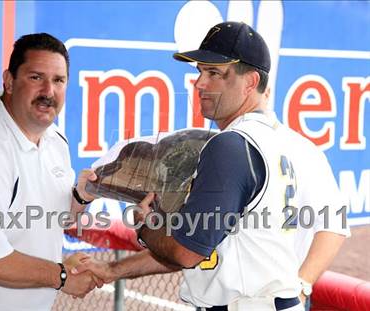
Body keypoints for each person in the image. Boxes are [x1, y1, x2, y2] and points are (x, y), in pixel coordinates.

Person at [72, 22, 348, 310]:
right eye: (200, 71)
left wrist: (146, 224)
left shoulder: (233, 145)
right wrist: (113, 270)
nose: (200, 83)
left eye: (214, 73)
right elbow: (204, 245)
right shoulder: (282, 144)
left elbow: (186, 251)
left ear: (251, 82)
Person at [0, 33, 101, 310]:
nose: (48, 91)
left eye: (58, 80)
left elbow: (55, 218)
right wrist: (61, 275)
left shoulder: (54, 139)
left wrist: (81, 197)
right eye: (36, 77)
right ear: (9, 81)